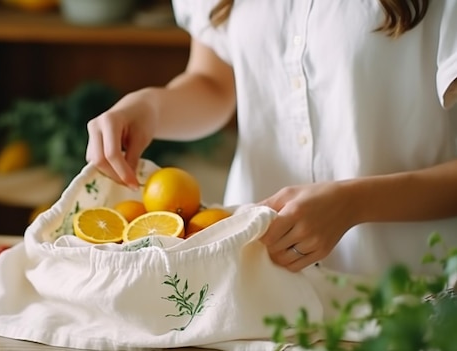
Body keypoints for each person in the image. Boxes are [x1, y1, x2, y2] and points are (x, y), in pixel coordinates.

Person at [85, 0, 457, 277]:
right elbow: (213, 83)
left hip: (409, 287)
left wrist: (356, 203)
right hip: (259, 281)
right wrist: (149, 106)